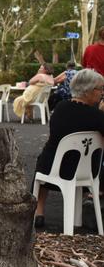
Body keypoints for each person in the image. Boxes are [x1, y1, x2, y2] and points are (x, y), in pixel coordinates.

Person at [32, 69, 104, 227]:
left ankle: (39, 211)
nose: (102, 93)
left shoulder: (60, 108)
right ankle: (93, 198)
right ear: (89, 91)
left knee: (44, 157)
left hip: (55, 169)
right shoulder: (98, 116)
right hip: (86, 172)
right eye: (100, 89)